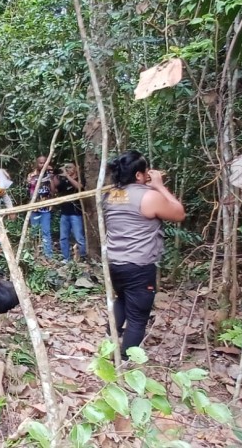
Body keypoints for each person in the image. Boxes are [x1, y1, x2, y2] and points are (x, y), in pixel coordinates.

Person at [103, 151, 185, 359]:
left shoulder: (112, 195)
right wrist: (159, 186)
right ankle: (124, 363)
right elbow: (179, 213)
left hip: (115, 263)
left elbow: (132, 198)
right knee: (138, 318)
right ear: (139, 175)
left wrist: (149, 186)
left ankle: (107, 344)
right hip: (139, 266)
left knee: (121, 298)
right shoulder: (150, 196)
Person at [26, 156, 58, 258]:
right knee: (34, 232)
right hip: (34, 208)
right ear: (37, 164)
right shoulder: (31, 175)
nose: (42, 165)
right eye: (40, 163)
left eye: (44, 163)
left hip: (46, 208)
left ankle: (48, 255)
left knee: (46, 231)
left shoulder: (50, 175)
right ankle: (34, 254)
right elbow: (29, 191)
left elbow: (53, 191)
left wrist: (51, 178)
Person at [57, 163, 87, 262]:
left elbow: (80, 187)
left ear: (75, 169)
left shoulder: (80, 178)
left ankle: (83, 258)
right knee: (63, 238)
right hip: (64, 213)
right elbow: (55, 189)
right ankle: (66, 258)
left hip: (76, 213)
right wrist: (51, 176)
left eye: (70, 167)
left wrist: (68, 176)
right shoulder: (64, 180)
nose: (68, 169)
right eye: (66, 168)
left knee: (79, 238)